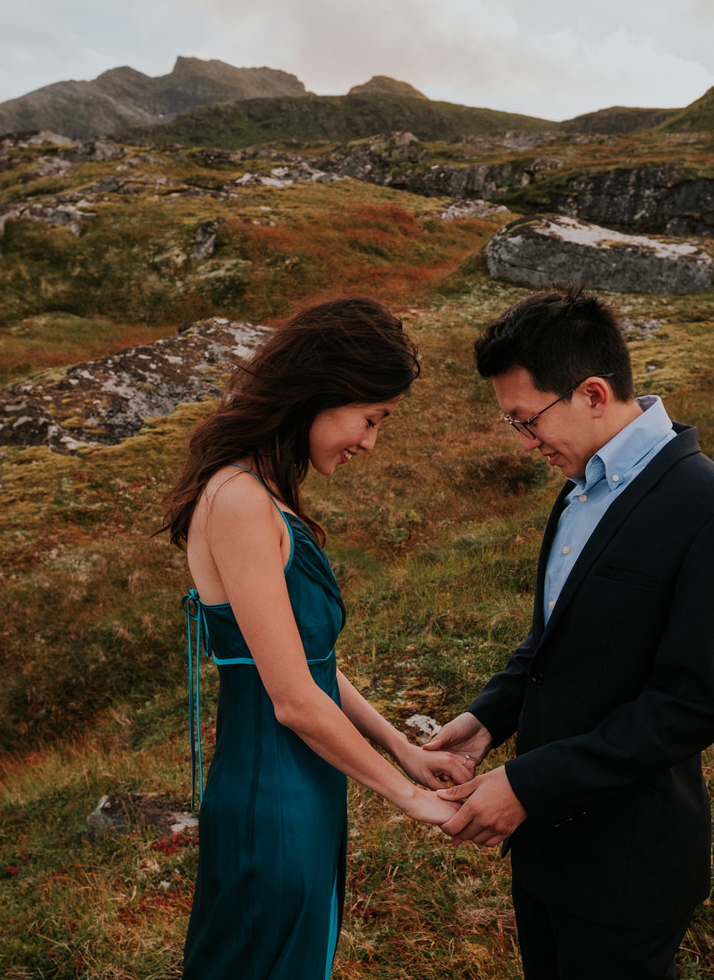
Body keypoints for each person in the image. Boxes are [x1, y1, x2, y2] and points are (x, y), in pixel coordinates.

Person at [425, 288, 714, 980]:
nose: (525, 445)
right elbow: (551, 645)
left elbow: (688, 708)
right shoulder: (578, 488)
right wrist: (487, 718)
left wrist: (527, 783)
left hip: (626, 866)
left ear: (591, 393)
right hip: (545, 851)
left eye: (527, 422)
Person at [160, 296, 468, 980]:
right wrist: (410, 799)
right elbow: (294, 699)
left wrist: (402, 748)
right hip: (270, 799)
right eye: (370, 418)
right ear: (323, 392)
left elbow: (309, 666)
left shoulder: (265, 494)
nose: (369, 442)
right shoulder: (239, 500)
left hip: (306, 789)